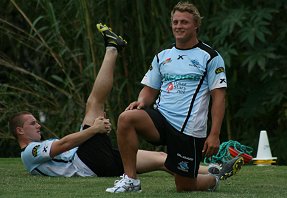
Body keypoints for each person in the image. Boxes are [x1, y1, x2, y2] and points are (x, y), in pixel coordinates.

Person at [106, 2, 244, 193]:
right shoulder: (163, 56)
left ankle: (213, 178)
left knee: (185, 187)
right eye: (175, 22)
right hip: (161, 119)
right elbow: (149, 90)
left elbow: (219, 98)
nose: (179, 26)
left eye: (184, 22)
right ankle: (131, 180)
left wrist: (214, 134)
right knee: (126, 118)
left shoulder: (211, 56)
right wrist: (142, 101)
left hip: (188, 130)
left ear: (196, 25)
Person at [9, 23, 170, 177]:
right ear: (20, 131)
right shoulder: (30, 152)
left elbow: (68, 149)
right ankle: (112, 48)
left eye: (36, 122)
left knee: (162, 158)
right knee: (94, 102)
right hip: (88, 162)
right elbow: (64, 144)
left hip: (96, 161)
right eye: (32, 123)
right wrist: (94, 129)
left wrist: (94, 128)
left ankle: (192, 176)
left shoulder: (34, 151)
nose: (38, 125)